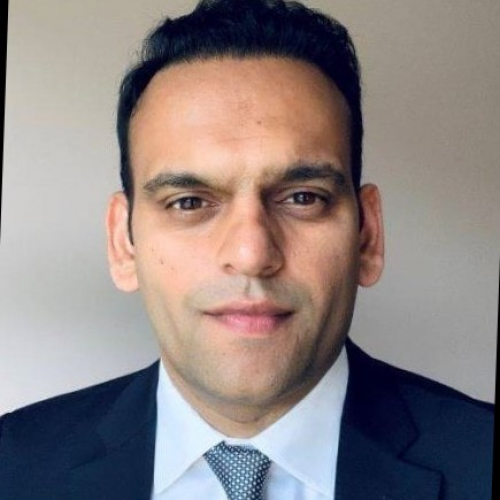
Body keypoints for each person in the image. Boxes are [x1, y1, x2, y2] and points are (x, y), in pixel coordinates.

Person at [0, 0, 493, 498]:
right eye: (189, 202)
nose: (251, 254)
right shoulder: (12, 467)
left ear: (368, 235)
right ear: (123, 243)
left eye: (303, 198)